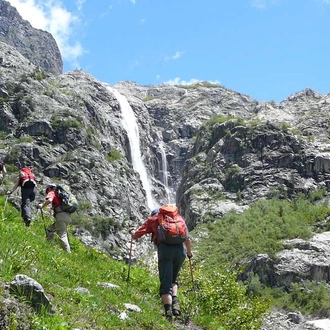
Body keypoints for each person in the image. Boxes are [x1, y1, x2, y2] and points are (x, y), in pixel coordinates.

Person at [130, 207, 193, 321]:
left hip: (165, 252)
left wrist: (132, 232)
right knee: (173, 279)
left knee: (165, 282)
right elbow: (187, 239)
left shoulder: (153, 220)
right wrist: (189, 253)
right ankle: (175, 304)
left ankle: (168, 314)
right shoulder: (178, 219)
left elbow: (136, 235)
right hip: (180, 251)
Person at [37, 184, 72, 253]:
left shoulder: (52, 192)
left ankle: (68, 252)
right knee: (49, 230)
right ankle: (49, 246)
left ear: (49, 189)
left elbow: (50, 200)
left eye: (47, 191)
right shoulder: (60, 195)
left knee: (62, 235)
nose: (47, 193)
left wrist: (42, 206)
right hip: (67, 216)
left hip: (60, 216)